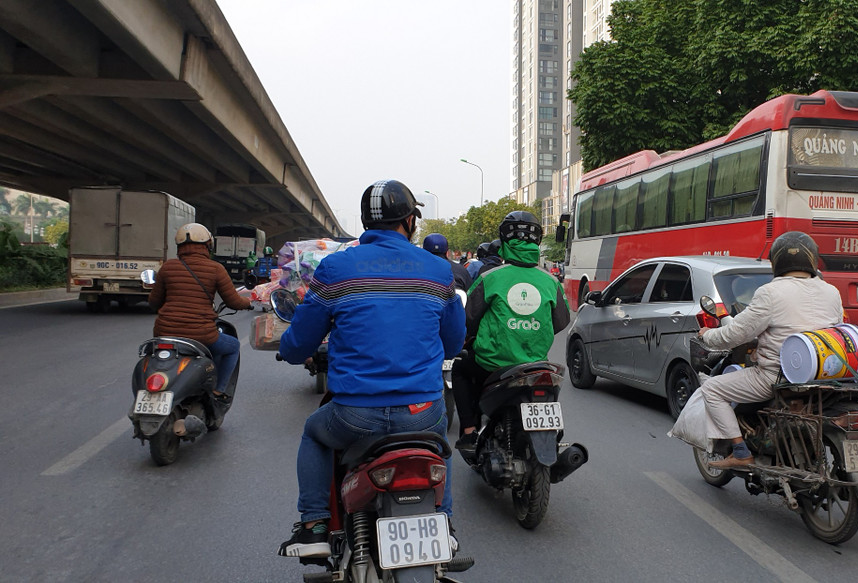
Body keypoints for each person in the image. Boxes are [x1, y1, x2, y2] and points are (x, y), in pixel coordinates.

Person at [277, 180, 465, 559]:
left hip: (353, 417)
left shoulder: (335, 268)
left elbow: (298, 346)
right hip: (421, 414)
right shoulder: (439, 271)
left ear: (365, 221)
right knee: (439, 440)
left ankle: (314, 525)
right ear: (410, 221)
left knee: (314, 433)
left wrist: (289, 350)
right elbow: (453, 343)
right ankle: (443, 523)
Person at [699, 232, 845, 469]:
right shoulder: (831, 292)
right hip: (824, 375)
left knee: (712, 388)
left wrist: (708, 336)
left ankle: (740, 452)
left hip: (777, 377)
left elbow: (735, 334)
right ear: (812, 259)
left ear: (776, 261)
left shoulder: (770, 293)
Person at [453, 211, 570, 454]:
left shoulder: (490, 277)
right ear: (537, 242)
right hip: (536, 363)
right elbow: (561, 321)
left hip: (492, 363)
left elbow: (468, 320)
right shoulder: (551, 282)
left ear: (504, 242)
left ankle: (468, 433)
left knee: (461, 368)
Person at [148, 223, 252, 404]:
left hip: (164, 333)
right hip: (201, 334)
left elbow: (154, 302)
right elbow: (233, 301)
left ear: (179, 246)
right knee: (233, 346)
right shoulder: (215, 268)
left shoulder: (168, 267)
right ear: (207, 245)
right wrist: (249, 303)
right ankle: (218, 392)